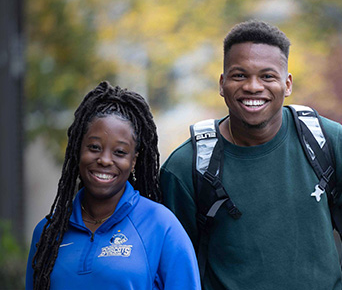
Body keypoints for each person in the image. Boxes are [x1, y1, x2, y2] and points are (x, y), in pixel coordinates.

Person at [160, 20, 342, 290]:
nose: (253, 87)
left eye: (267, 76)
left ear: (287, 84)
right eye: (239, 75)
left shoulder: (327, 141)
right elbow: (174, 273)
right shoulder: (187, 168)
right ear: (222, 84)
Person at [26, 80, 201, 290]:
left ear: (134, 160)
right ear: (77, 149)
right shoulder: (48, 232)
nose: (105, 160)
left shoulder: (162, 226)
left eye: (119, 152)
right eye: (94, 147)